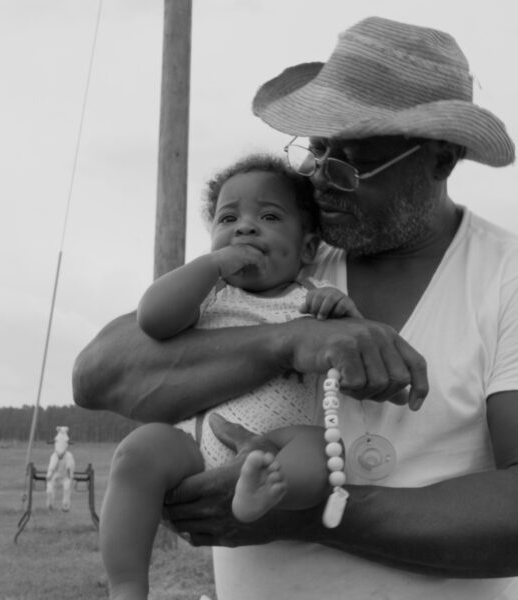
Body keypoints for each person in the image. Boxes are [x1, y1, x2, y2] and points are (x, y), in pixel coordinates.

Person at [74, 16, 518, 600]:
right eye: (316, 151)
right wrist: (290, 341)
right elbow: (99, 374)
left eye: (350, 163)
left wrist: (305, 513)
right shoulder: (286, 259)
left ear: (441, 159)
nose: (319, 181)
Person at [100, 154, 363, 600]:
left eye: (269, 217)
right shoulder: (209, 297)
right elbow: (153, 318)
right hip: (193, 442)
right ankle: (126, 586)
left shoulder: (315, 298)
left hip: (276, 445)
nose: (245, 228)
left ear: (307, 249)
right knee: (136, 452)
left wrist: (343, 314)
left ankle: (259, 493)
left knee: (320, 451)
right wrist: (210, 267)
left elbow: (355, 353)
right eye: (228, 218)